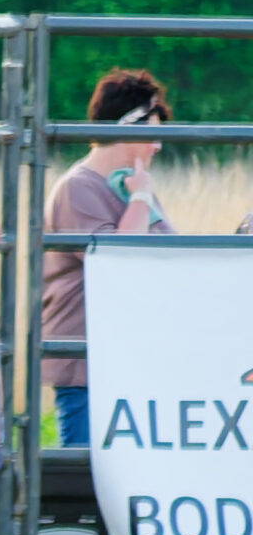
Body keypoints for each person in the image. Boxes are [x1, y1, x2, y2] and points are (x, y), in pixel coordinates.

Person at [40, 69, 173, 450]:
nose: (157, 147)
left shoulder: (132, 186)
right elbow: (119, 262)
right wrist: (140, 199)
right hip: (87, 370)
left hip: (125, 361)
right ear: (131, 127)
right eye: (153, 132)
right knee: (86, 482)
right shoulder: (78, 188)